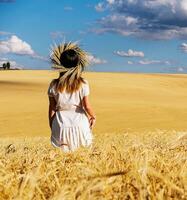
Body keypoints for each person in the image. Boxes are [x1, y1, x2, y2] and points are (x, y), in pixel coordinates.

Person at [47, 42, 96, 152]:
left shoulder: (53, 85)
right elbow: (86, 106)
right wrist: (93, 117)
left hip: (60, 123)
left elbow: (52, 108)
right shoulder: (83, 83)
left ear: (60, 64)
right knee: (83, 156)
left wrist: (52, 124)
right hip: (80, 124)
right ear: (77, 65)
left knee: (61, 160)